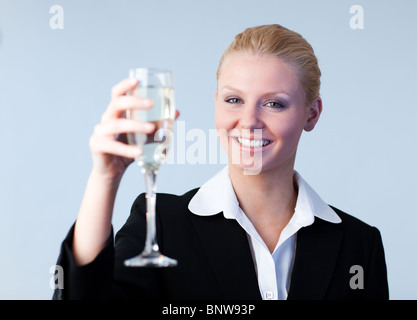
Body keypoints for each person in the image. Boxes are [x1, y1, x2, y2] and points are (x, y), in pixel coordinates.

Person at [53, 24, 389, 300]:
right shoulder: (159, 224)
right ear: (216, 103)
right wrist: (104, 179)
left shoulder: (360, 245)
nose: (249, 121)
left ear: (311, 114)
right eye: (234, 100)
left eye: (274, 104)